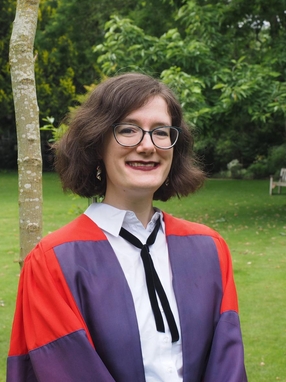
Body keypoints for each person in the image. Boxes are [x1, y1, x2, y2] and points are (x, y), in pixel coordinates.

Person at [7, 72, 247, 382]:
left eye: (161, 132)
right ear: (97, 143)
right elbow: (65, 370)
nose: (147, 146)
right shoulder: (53, 262)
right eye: (128, 130)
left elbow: (225, 365)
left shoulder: (209, 249)